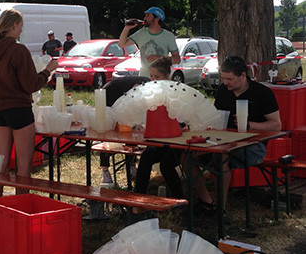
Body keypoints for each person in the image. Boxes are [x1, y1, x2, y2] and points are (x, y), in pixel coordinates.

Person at [0, 9, 59, 197]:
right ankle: (20, 208)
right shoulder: (18, 50)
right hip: (20, 110)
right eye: (21, 26)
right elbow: (31, 85)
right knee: (23, 167)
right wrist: (48, 70)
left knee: (0, 166)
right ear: (14, 26)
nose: (21, 30)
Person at [192, 55, 281, 213]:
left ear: (243, 76)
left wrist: (249, 125)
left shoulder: (262, 92)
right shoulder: (223, 90)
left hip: (255, 146)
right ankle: (206, 201)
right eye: (223, 78)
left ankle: (220, 210)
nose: (225, 82)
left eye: (230, 79)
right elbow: (217, 117)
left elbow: (276, 125)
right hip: (224, 140)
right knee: (187, 157)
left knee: (221, 157)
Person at [134, 56, 185, 198]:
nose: (152, 80)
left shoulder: (176, 92)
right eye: (151, 76)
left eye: (156, 77)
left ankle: (180, 199)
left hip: (176, 141)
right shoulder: (152, 93)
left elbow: (183, 120)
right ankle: (138, 198)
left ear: (167, 76)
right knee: (145, 158)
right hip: (159, 139)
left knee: (166, 165)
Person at [99, 75, 149, 185]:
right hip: (108, 94)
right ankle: (105, 171)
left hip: (122, 95)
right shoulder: (143, 84)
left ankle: (131, 165)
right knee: (107, 131)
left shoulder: (149, 87)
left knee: (130, 131)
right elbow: (134, 98)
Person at [118, 6, 180, 77]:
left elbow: (177, 60)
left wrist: (161, 59)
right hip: (143, 78)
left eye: (148, 16)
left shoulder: (168, 36)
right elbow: (122, 44)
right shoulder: (141, 33)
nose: (144, 18)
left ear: (157, 19)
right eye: (145, 16)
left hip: (161, 79)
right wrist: (127, 28)